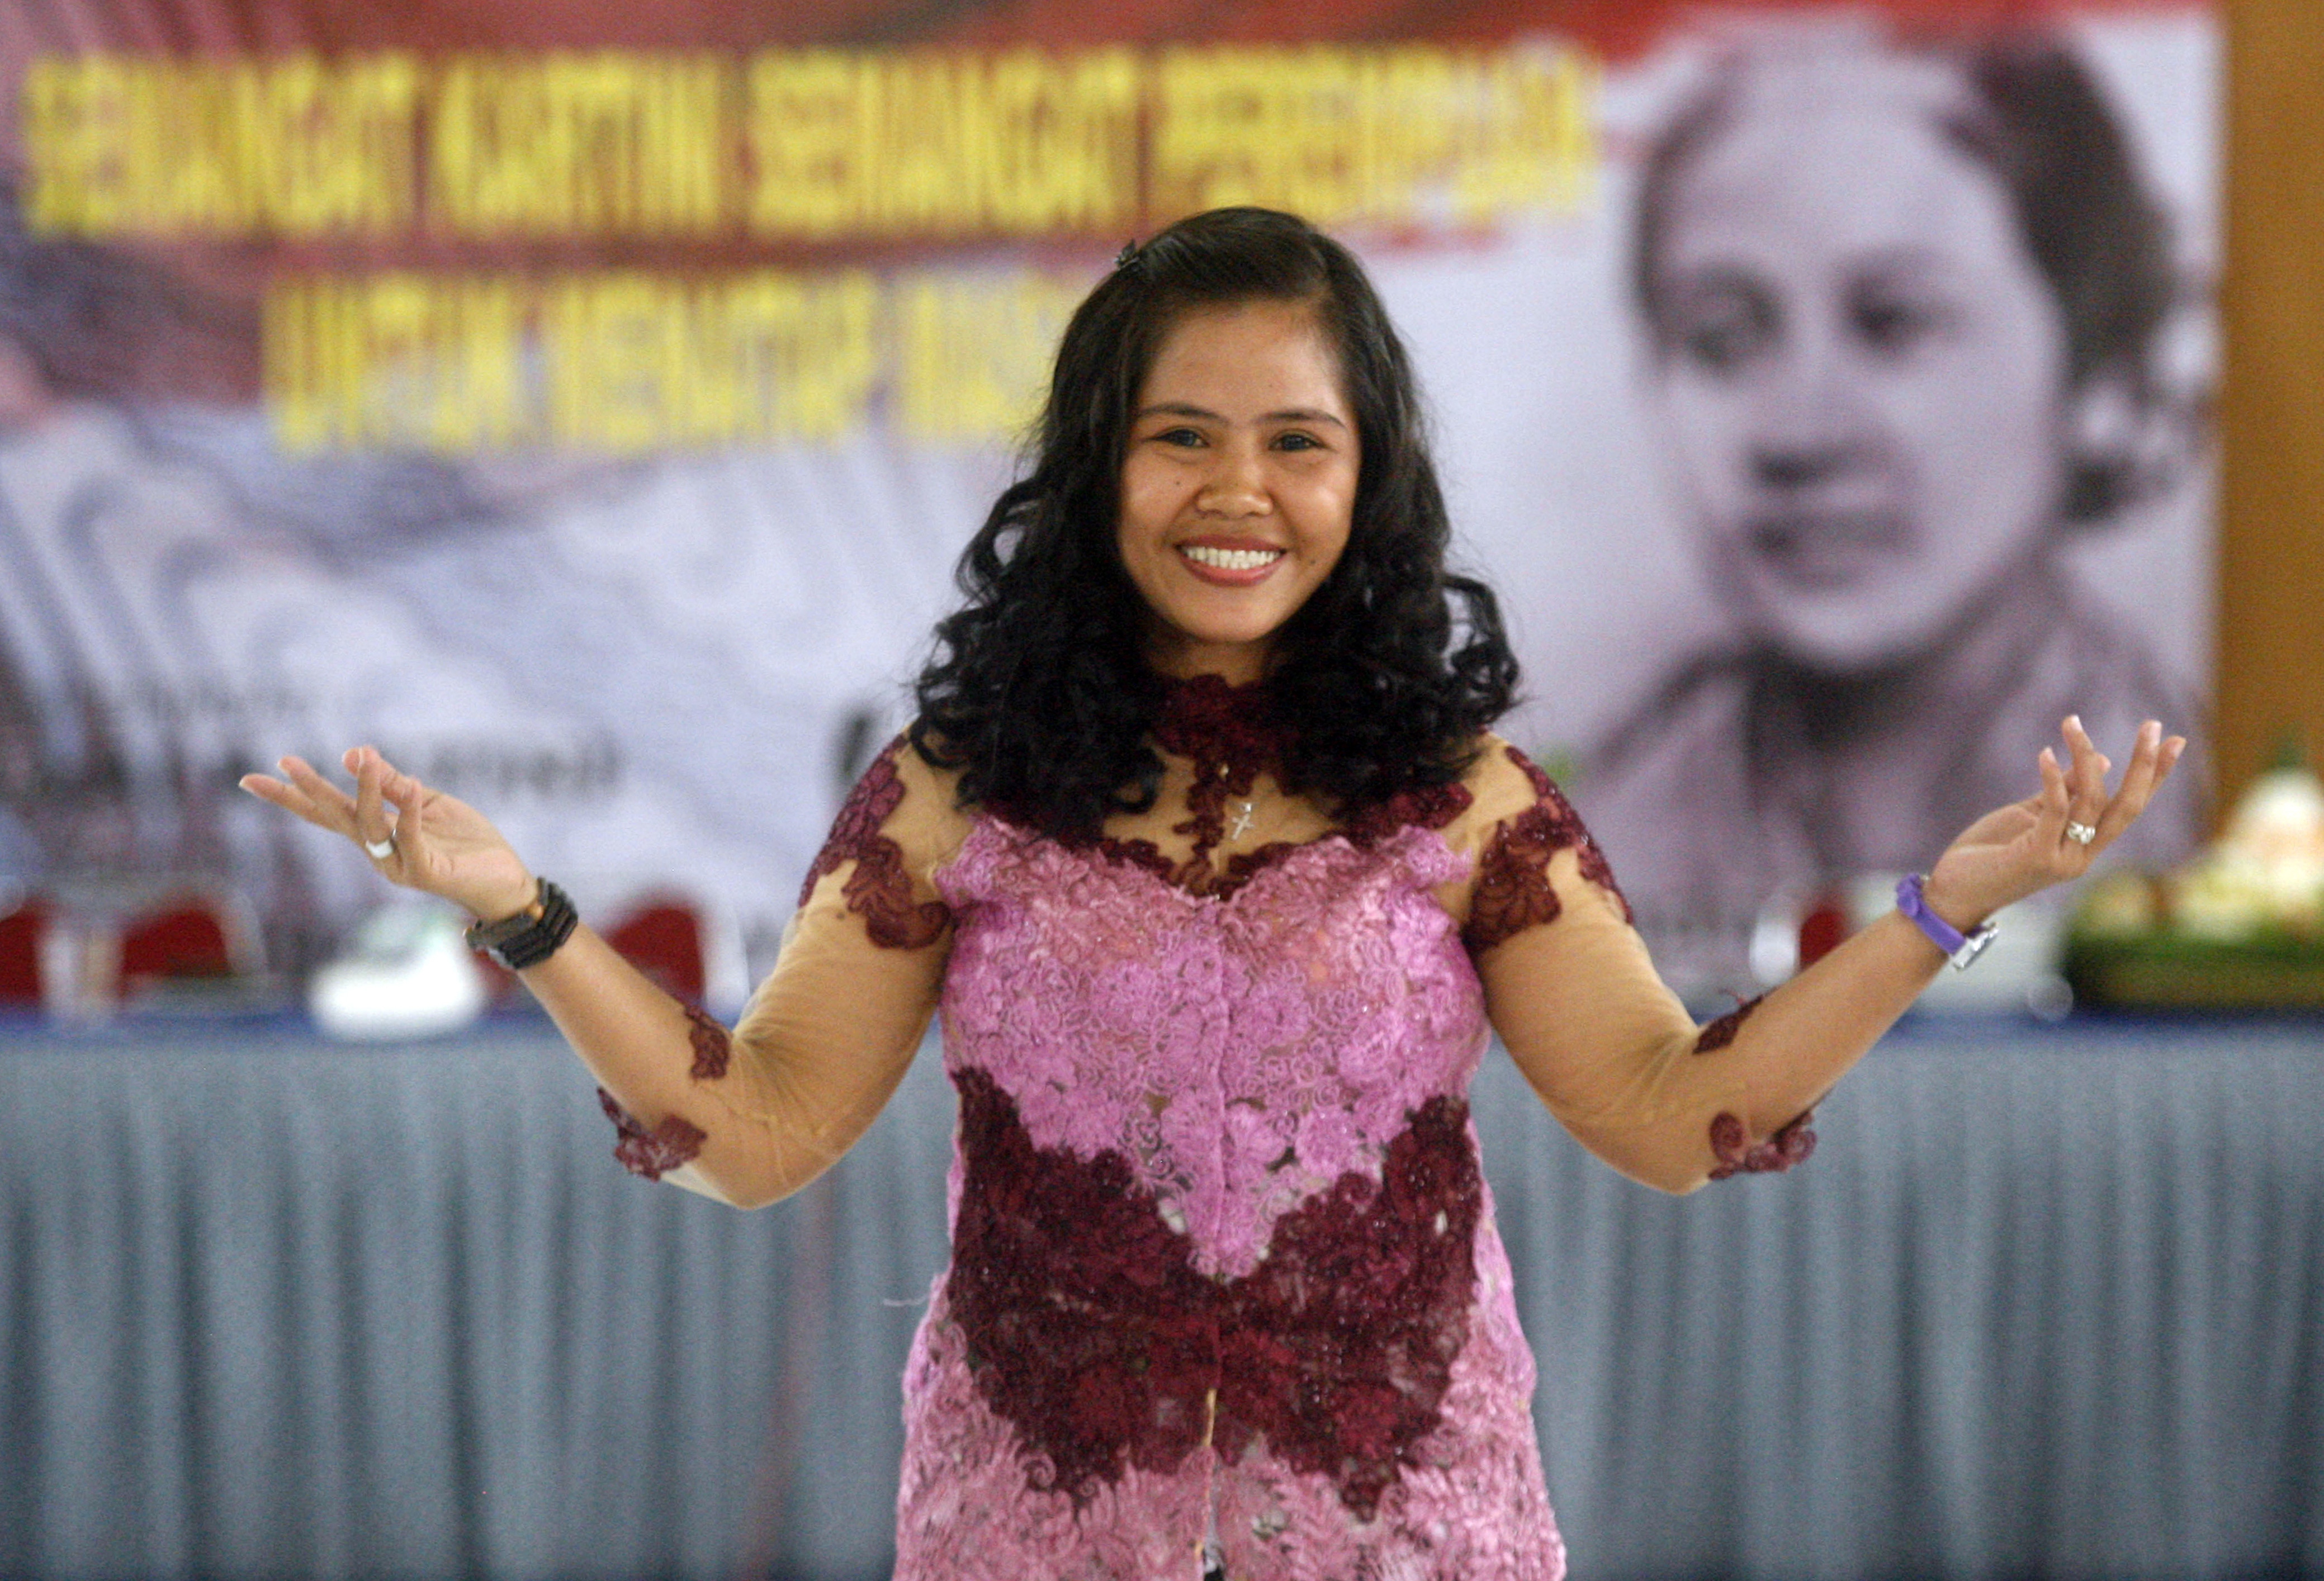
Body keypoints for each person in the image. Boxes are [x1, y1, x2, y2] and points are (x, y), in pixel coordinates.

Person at [241, 207, 2183, 1581]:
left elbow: (1680, 1116)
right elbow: (746, 1132)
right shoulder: (954, 791)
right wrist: (522, 909)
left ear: (1365, 481)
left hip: (1405, 1531)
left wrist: (1941, 903)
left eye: (1292, 439)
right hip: (1033, 1528)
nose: (1230, 486)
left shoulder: (1457, 795)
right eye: (1178, 432)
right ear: (1097, 467)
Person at [1585, 31, 2207, 982]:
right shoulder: (1600, 833)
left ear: (2099, 374)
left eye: (1896, 323)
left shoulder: (2185, 825)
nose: (1799, 433)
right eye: (1720, 338)